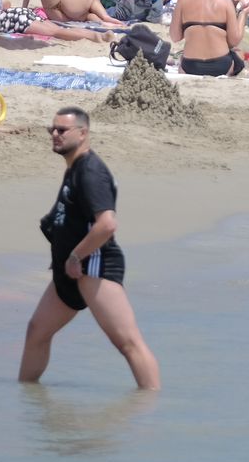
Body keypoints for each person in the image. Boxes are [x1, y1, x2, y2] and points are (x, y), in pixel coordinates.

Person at [19, 105, 161, 390]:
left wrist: (75, 255)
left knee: (127, 342)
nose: (55, 135)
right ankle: (26, 398)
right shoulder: (74, 168)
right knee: (37, 331)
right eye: (52, 130)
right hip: (70, 269)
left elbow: (107, 224)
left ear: (83, 133)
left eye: (62, 130)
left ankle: (151, 405)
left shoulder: (91, 172)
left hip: (93, 265)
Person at [172, 0, 246, 76]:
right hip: (221, 66)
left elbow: (175, 37)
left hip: (190, 66)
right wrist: (243, 14)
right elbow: (234, 40)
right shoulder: (226, 3)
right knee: (239, 53)